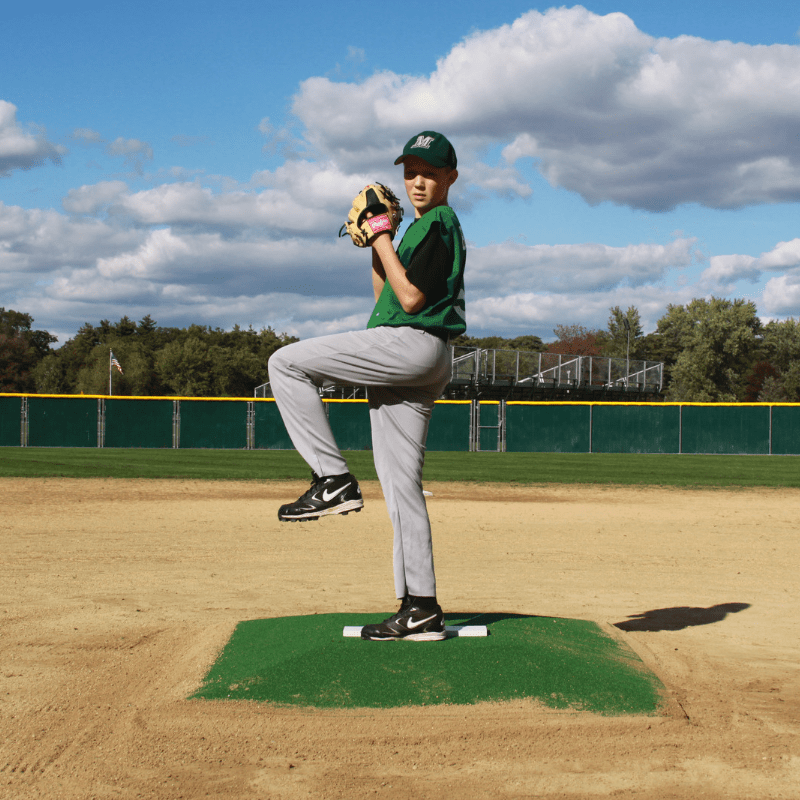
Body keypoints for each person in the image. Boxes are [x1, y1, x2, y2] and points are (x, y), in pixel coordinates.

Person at [268, 131, 466, 641]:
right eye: (410, 172)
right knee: (402, 489)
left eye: (429, 172)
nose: (418, 181)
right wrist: (378, 246)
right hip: (416, 351)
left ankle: (331, 478)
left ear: (450, 177)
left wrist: (380, 233)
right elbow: (386, 295)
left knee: (285, 363)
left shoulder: (441, 223)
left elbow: (413, 300)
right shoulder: (420, 231)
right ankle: (421, 607)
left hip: (414, 345)